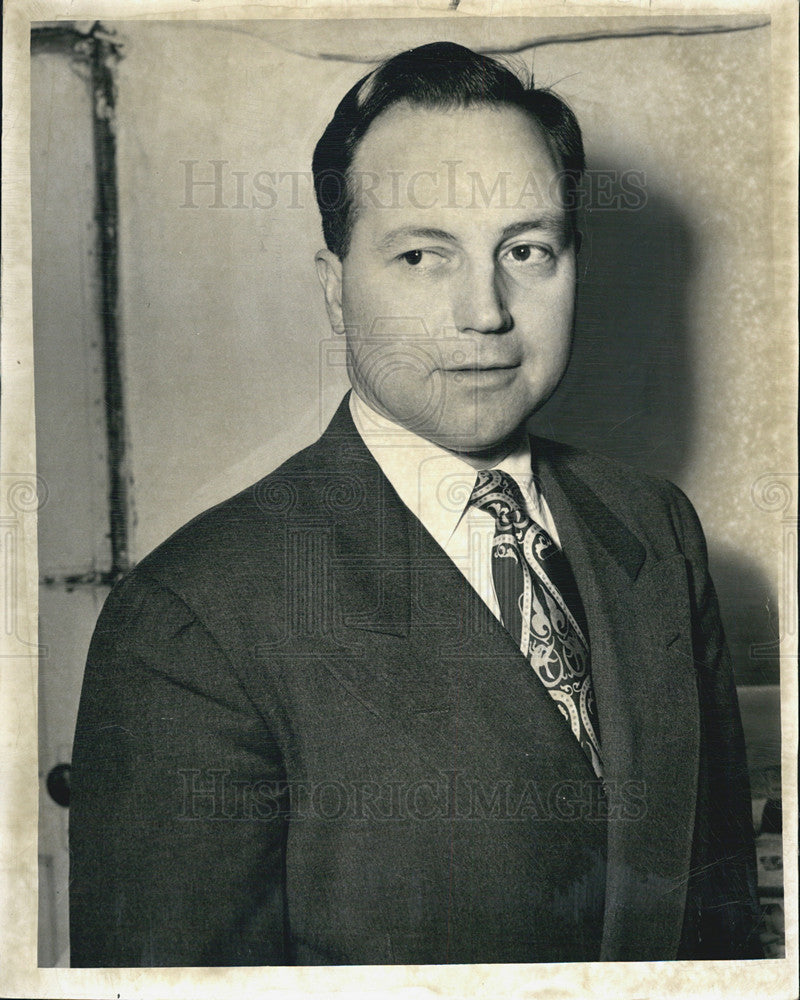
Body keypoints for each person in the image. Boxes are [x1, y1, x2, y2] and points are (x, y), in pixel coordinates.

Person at [69, 41, 761, 966]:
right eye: (423, 256)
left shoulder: (654, 527)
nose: (486, 311)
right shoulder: (192, 622)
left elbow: (723, 927)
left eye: (526, 249)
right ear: (335, 290)